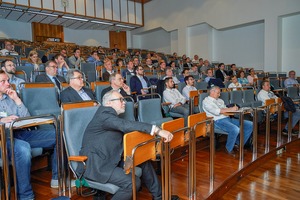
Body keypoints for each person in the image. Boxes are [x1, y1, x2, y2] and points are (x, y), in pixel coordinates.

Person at [77, 90, 175, 200]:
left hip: (111, 157)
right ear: (109, 103)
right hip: (97, 165)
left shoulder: (110, 116)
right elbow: (125, 125)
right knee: (133, 183)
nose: (124, 102)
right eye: (120, 99)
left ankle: (159, 197)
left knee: (142, 159)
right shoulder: (104, 114)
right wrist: (157, 130)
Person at [0, 69, 57, 199]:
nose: (8, 84)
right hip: (3, 138)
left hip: (21, 133)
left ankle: (57, 178)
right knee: (23, 149)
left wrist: (16, 99)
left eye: (7, 80)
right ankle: (25, 196)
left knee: (58, 135)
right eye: (3, 81)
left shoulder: (10, 97)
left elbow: (27, 117)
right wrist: (1, 120)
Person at [202, 86, 253, 154]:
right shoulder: (206, 101)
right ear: (212, 92)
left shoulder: (220, 100)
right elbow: (216, 111)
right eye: (218, 93)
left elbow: (225, 109)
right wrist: (230, 109)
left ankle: (237, 144)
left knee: (250, 124)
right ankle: (228, 148)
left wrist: (236, 109)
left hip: (227, 118)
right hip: (216, 121)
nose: (219, 95)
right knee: (235, 129)